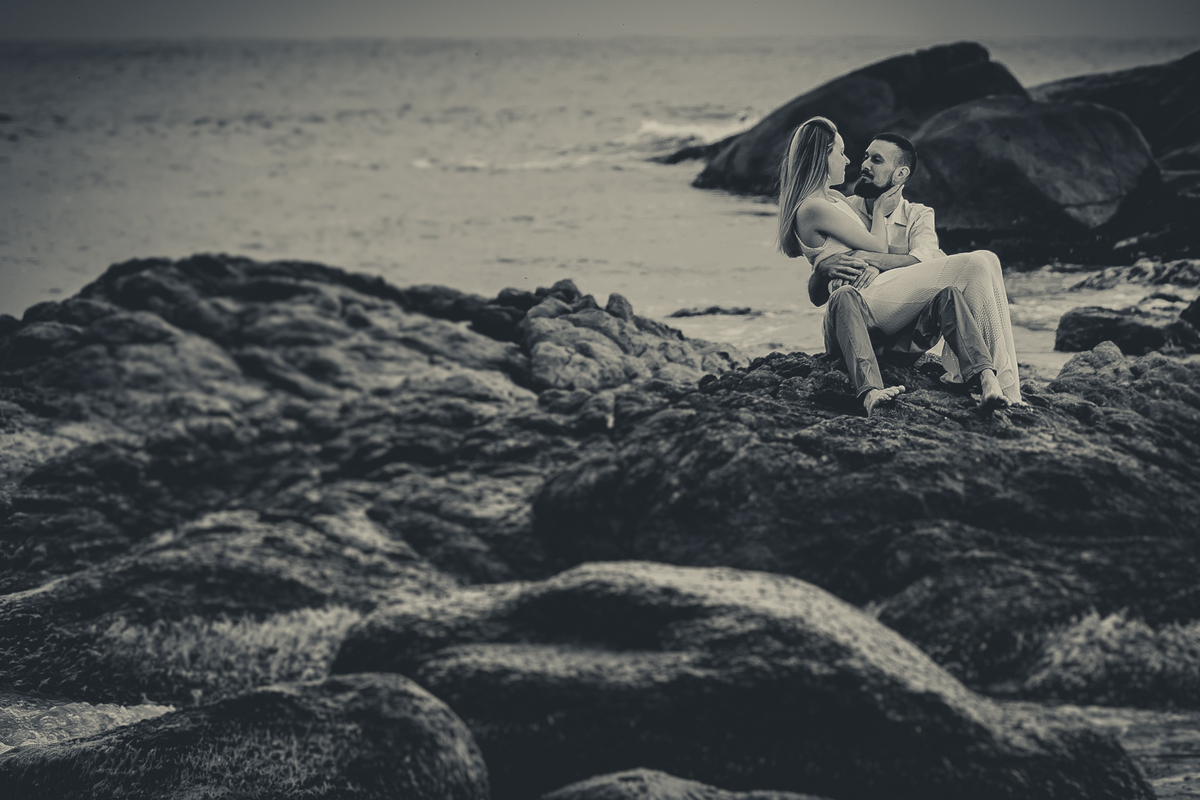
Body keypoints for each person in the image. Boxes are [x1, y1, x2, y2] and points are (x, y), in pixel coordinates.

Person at [778, 117, 1021, 415]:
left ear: (900, 174)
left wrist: (869, 261)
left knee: (959, 286)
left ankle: (986, 378)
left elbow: (923, 261)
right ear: (822, 156)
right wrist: (827, 267)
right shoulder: (826, 206)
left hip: (902, 333)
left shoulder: (905, 213)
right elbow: (824, 285)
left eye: (875, 159)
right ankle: (1004, 384)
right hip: (858, 310)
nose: (858, 162)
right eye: (847, 153)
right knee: (980, 261)